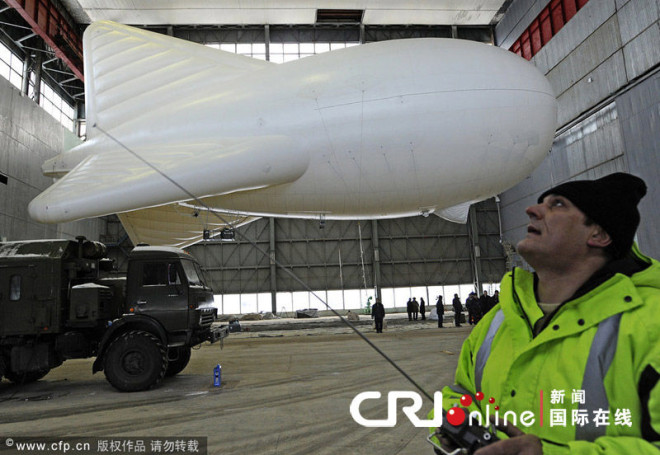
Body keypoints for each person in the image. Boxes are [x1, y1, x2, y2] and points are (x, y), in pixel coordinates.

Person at [429, 172, 660, 454]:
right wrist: (454, 426)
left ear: (598, 234)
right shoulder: (499, 319)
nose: (532, 210)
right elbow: (461, 394)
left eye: (558, 204)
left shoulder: (650, 322)